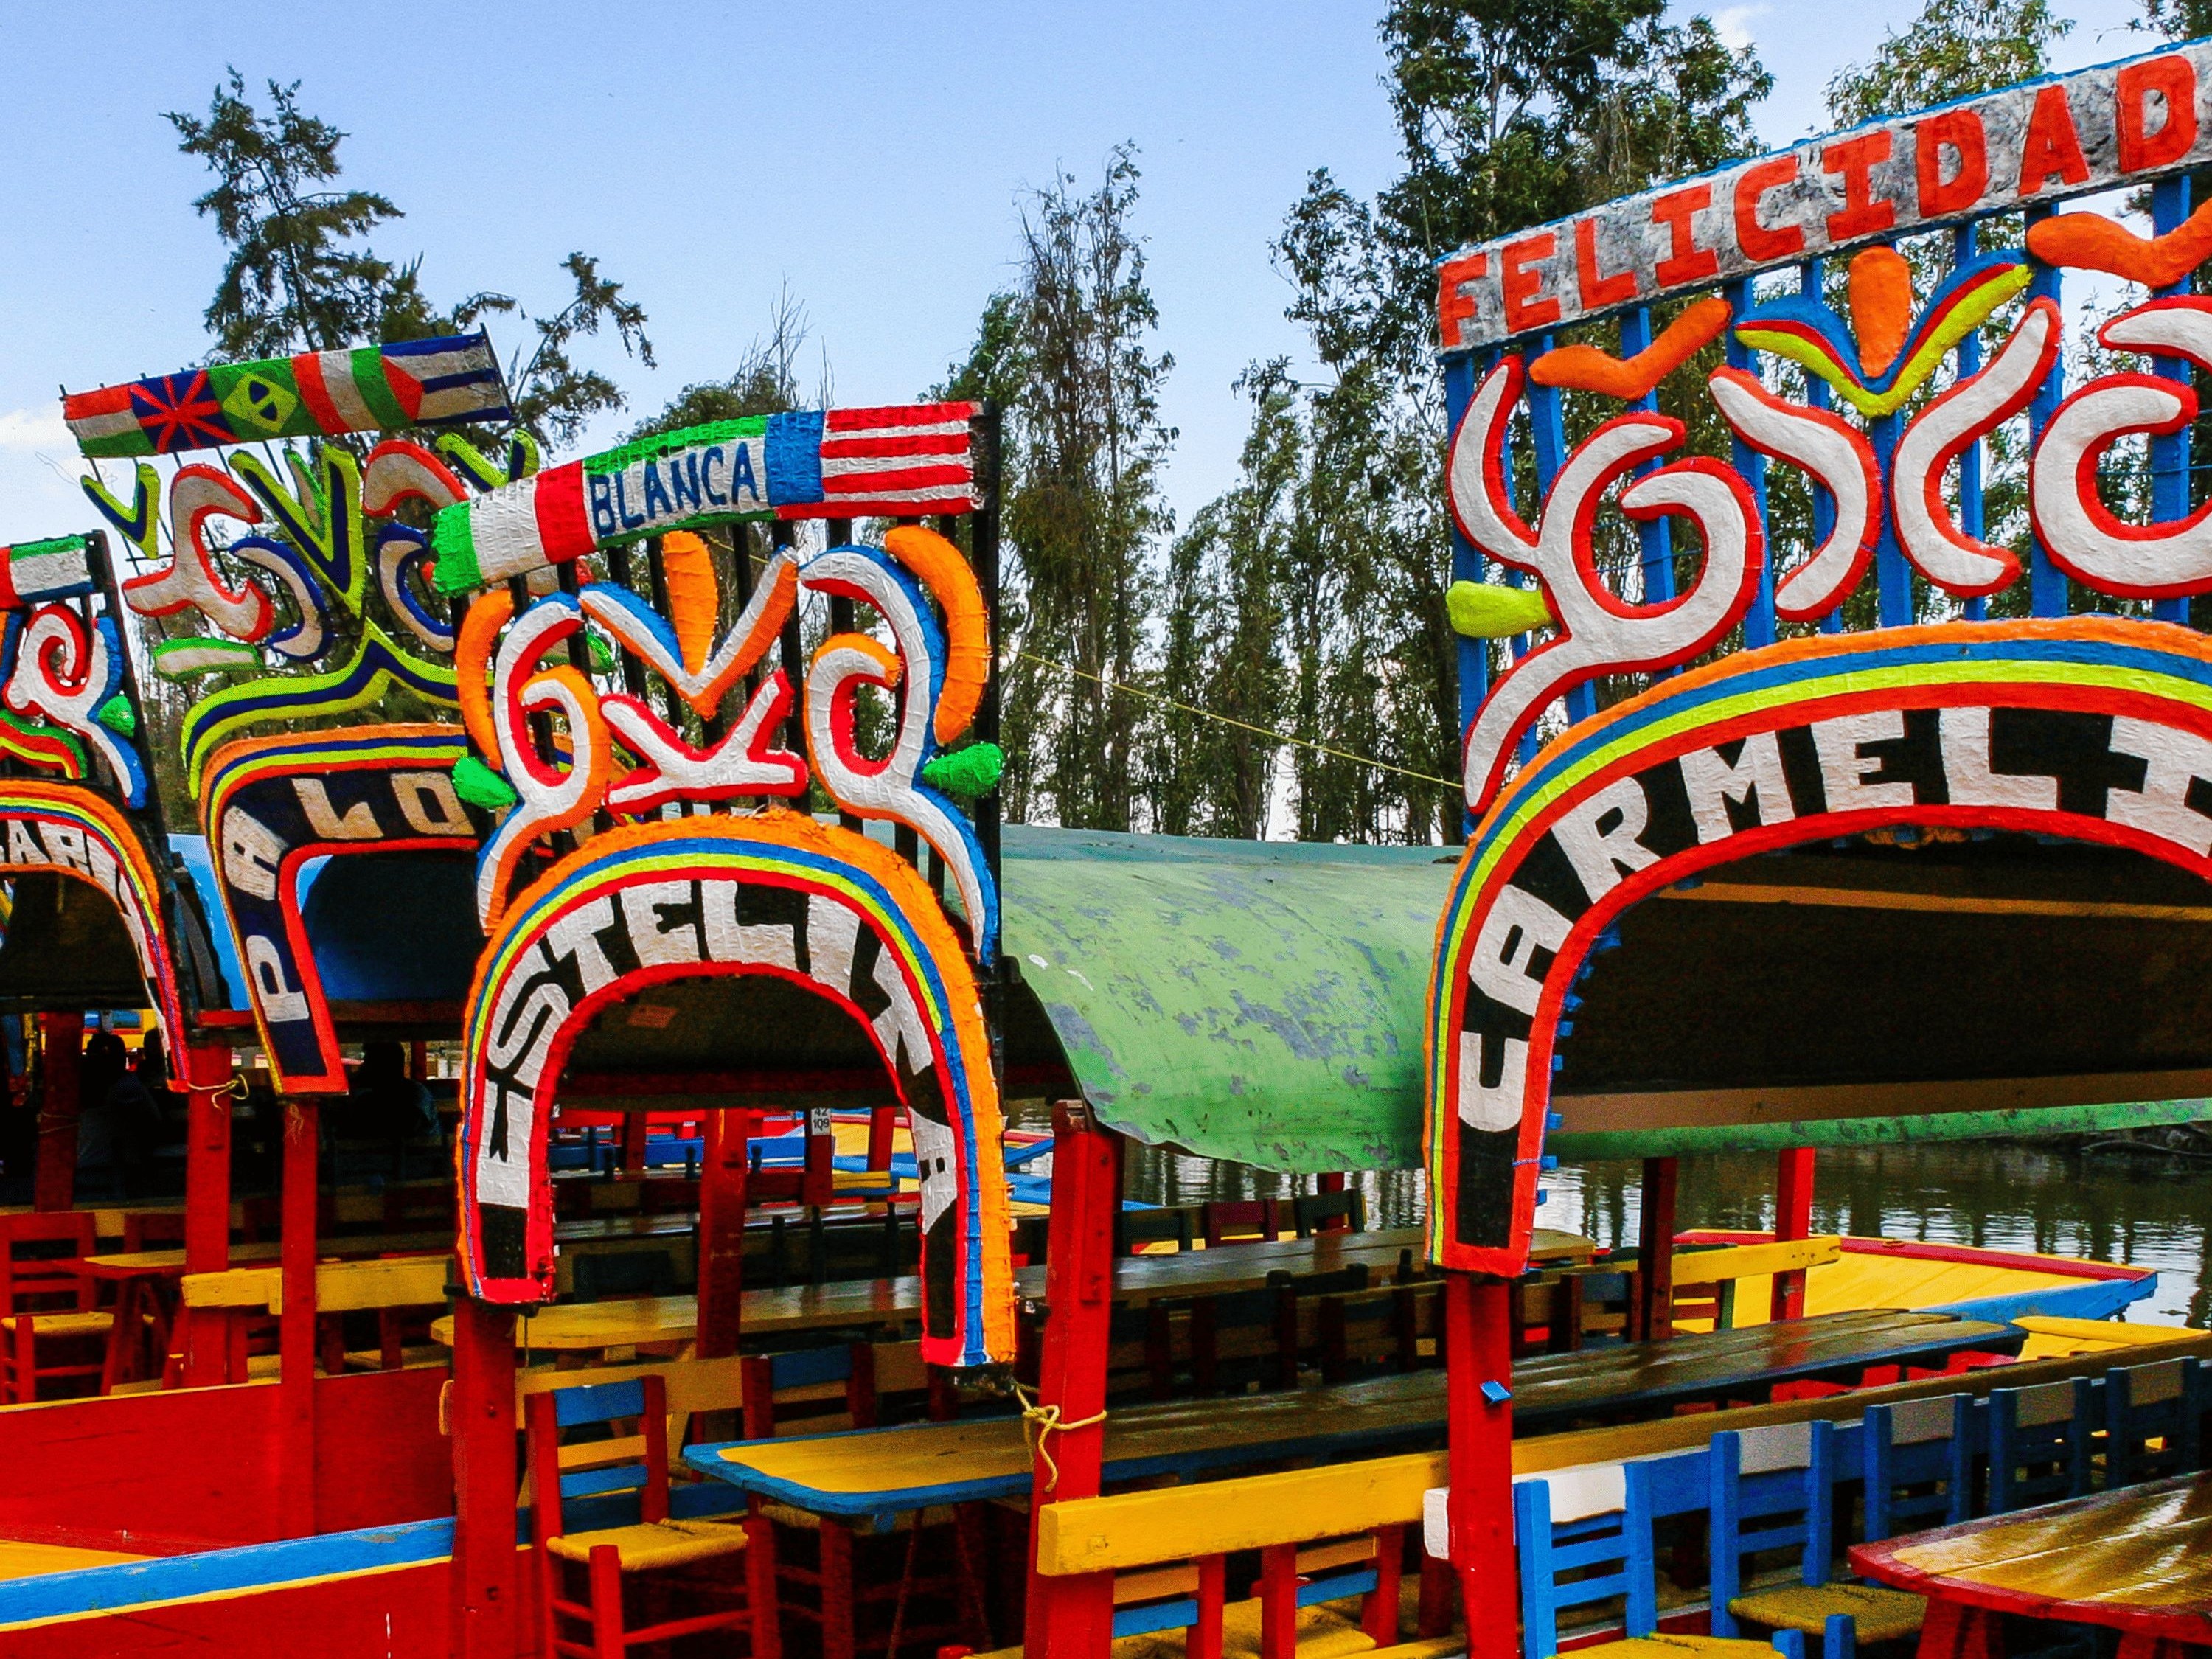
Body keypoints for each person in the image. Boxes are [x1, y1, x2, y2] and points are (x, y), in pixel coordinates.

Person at [346, 1041, 438, 1148]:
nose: (362, 1068)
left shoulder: (415, 1093)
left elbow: (404, 1129)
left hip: (418, 1160)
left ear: (384, 1067)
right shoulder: (368, 1099)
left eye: (368, 1062)